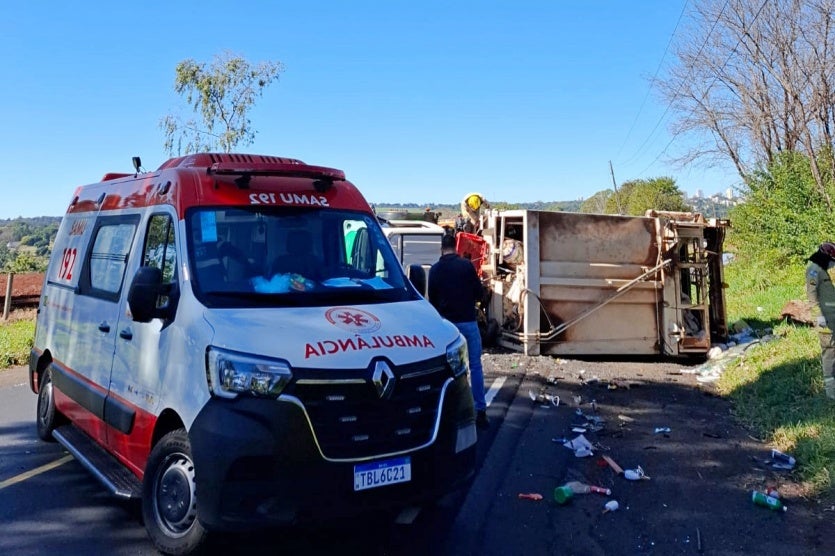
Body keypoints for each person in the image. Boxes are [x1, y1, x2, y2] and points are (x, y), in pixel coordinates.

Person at [428, 233, 489, 428]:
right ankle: (480, 411)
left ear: (441, 248)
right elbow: (479, 293)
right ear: (455, 246)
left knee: (448, 371)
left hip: (448, 327)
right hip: (468, 322)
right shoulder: (466, 266)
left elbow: (433, 302)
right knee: (476, 366)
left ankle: (448, 413)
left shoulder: (435, 271)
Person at [806, 242, 835, 399]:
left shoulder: (826, 269)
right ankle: (831, 392)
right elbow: (812, 296)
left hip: (833, 317)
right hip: (825, 320)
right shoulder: (813, 271)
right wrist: (820, 317)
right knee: (829, 353)